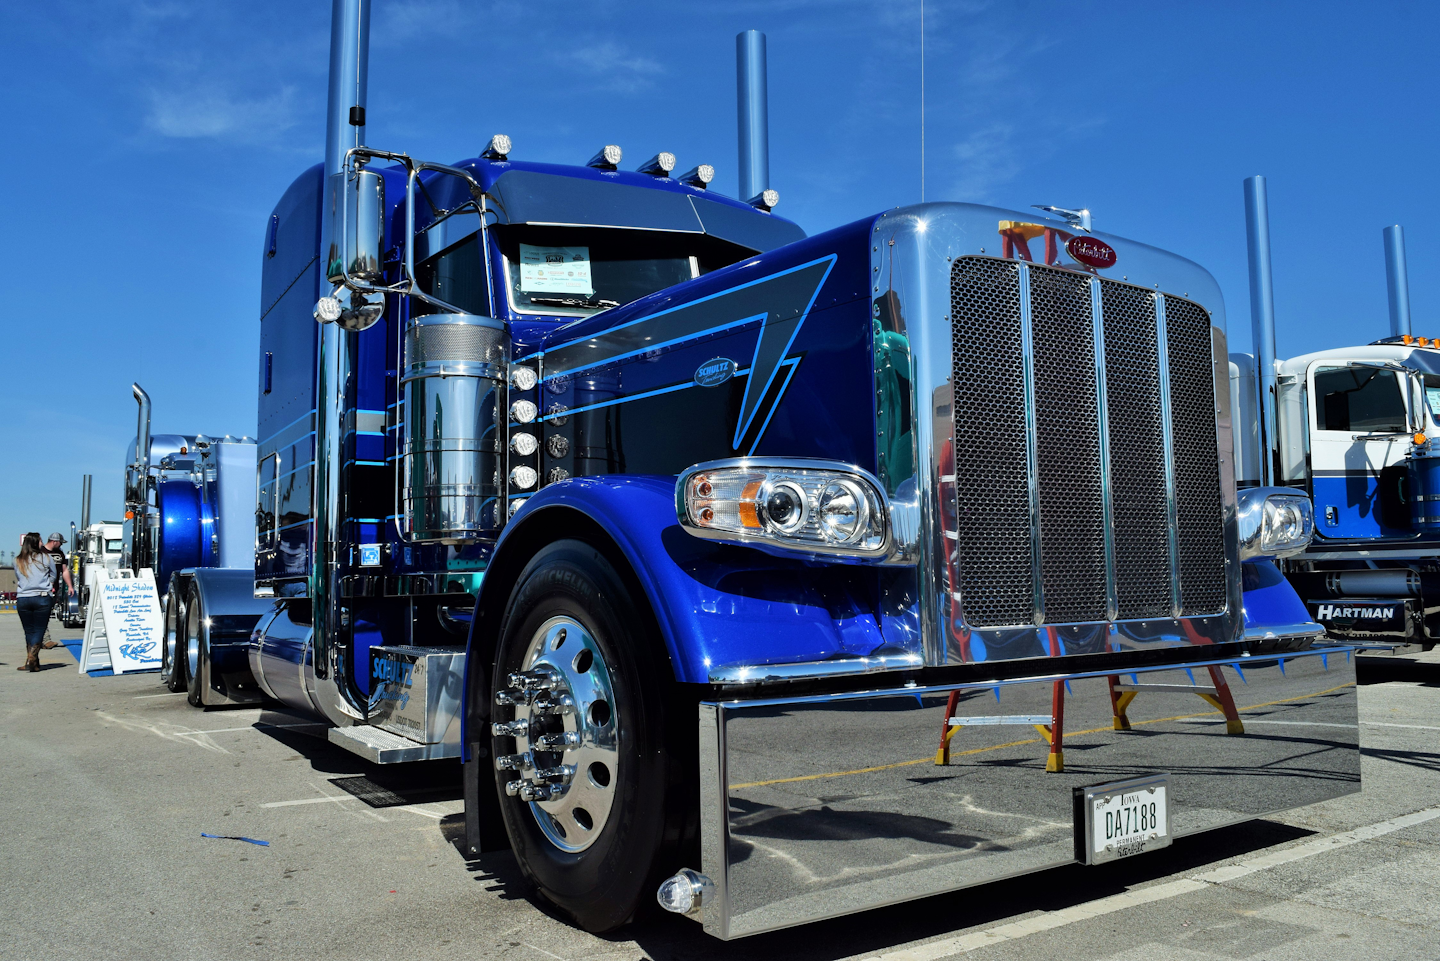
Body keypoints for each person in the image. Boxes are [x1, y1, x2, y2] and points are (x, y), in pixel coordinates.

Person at [15, 532, 57, 672]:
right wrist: (47, 583)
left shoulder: (18, 560)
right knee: (39, 629)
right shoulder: (46, 557)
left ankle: (31, 661)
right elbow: (53, 575)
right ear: (35, 542)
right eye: (40, 540)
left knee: (29, 630)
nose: (42, 543)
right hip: (42, 596)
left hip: (23, 597)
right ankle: (32, 657)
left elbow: (18, 577)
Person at [41, 532, 73, 650]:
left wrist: (70, 585)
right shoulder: (41, 552)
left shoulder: (60, 553)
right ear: (54, 541)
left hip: (54, 589)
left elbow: (64, 570)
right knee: (42, 613)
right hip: (43, 588)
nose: (60, 545)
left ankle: (42, 639)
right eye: (60, 543)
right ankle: (45, 639)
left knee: (47, 613)